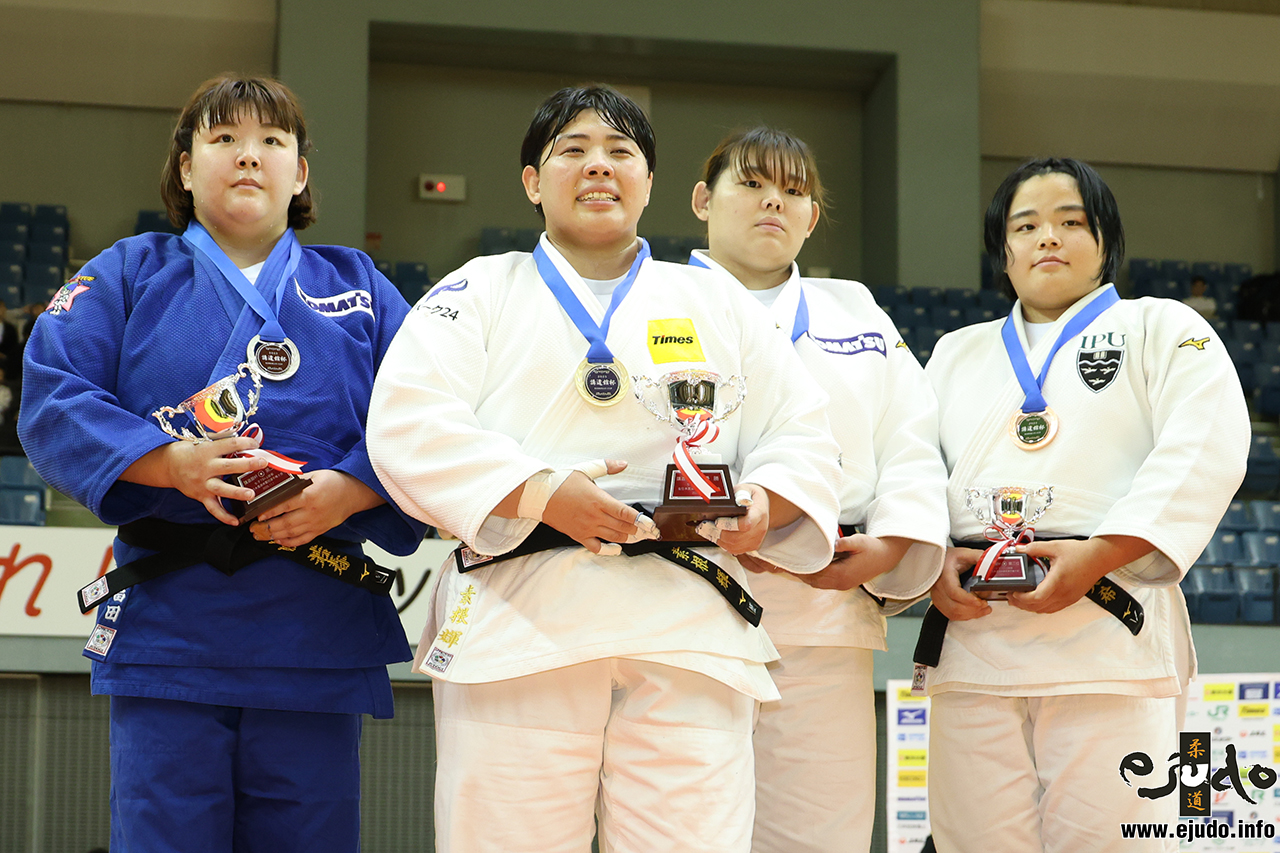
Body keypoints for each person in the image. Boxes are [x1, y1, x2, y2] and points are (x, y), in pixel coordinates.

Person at [366, 86, 841, 853]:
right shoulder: (477, 288)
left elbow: (802, 427)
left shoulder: (715, 300)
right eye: (574, 150)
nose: (598, 166)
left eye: (621, 152)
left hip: (688, 619)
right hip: (522, 614)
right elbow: (405, 421)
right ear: (532, 180)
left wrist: (765, 502)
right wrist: (543, 492)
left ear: (650, 183)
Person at [19, 75, 425, 853]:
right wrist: (165, 461)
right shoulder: (126, 272)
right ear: (185, 165)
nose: (249, 156)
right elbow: (50, 396)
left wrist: (351, 489)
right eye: (224, 138)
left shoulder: (360, 289)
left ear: (300, 172)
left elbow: (429, 416)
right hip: (173, 627)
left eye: (272, 140)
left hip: (314, 625)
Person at [917, 157, 1249, 852]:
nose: (1048, 237)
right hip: (975, 635)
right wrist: (927, 555)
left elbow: (1206, 445)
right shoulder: (954, 353)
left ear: (1106, 239)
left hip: (1110, 629)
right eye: (1026, 226)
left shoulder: (1163, 327)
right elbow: (910, 468)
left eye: (1071, 221)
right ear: (1001, 250)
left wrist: (1101, 553)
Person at [688, 126, 948, 853]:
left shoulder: (856, 312)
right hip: (684, 602)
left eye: (794, 191)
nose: (774, 201)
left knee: (821, 834)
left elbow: (911, 438)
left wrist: (891, 545)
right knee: (678, 830)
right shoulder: (651, 300)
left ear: (811, 217)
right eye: (752, 183)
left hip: (825, 609)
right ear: (703, 200)